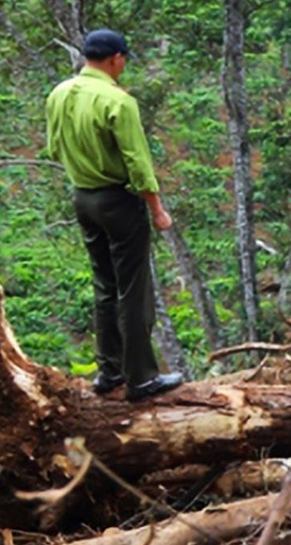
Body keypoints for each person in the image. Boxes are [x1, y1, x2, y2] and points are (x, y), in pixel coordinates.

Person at [44, 30, 185, 400]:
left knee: (104, 285)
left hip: (83, 198)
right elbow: (138, 164)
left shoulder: (59, 93)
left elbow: (53, 148)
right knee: (134, 290)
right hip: (118, 202)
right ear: (116, 59)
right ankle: (141, 378)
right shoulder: (119, 102)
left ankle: (109, 372)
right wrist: (156, 209)